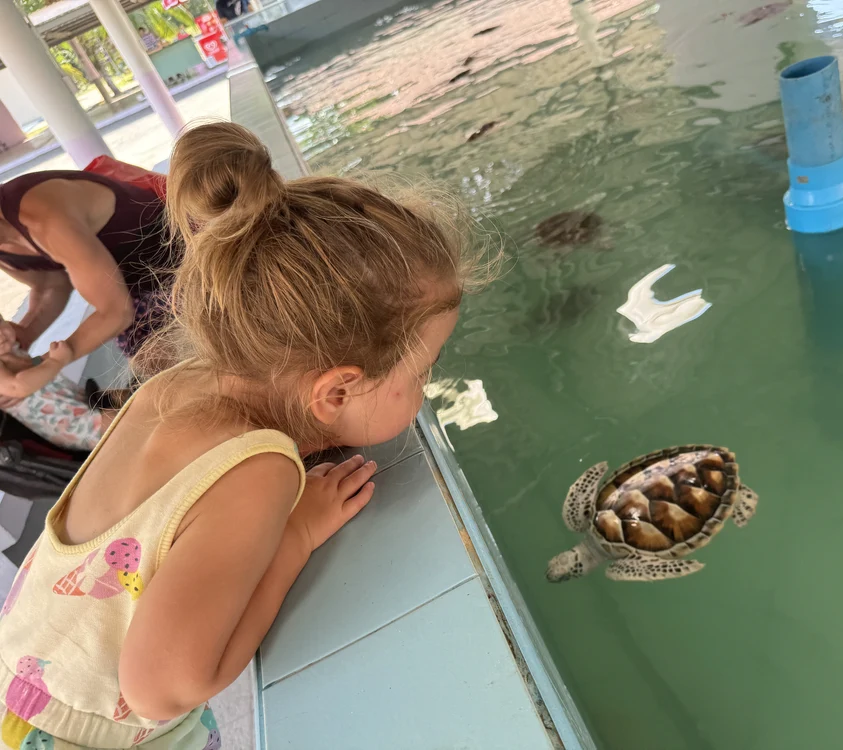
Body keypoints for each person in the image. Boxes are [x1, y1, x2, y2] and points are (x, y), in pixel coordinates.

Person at [0, 122, 486, 748]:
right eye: (422, 372)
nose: (425, 390)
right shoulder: (259, 469)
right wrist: (296, 535)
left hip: (21, 684)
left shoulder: (173, 386)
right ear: (335, 391)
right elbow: (162, 688)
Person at [0, 166, 175, 395]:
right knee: (154, 364)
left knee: (159, 357)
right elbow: (51, 286)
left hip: (174, 257)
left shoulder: (43, 217)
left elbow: (115, 312)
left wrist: (44, 365)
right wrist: (24, 336)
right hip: (129, 288)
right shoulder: (5, 246)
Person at [0, 338, 107, 452]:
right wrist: (56, 361)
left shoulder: (13, 348)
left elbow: (32, 364)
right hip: (64, 420)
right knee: (104, 427)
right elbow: (16, 387)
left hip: (77, 399)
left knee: (111, 401)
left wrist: (43, 361)